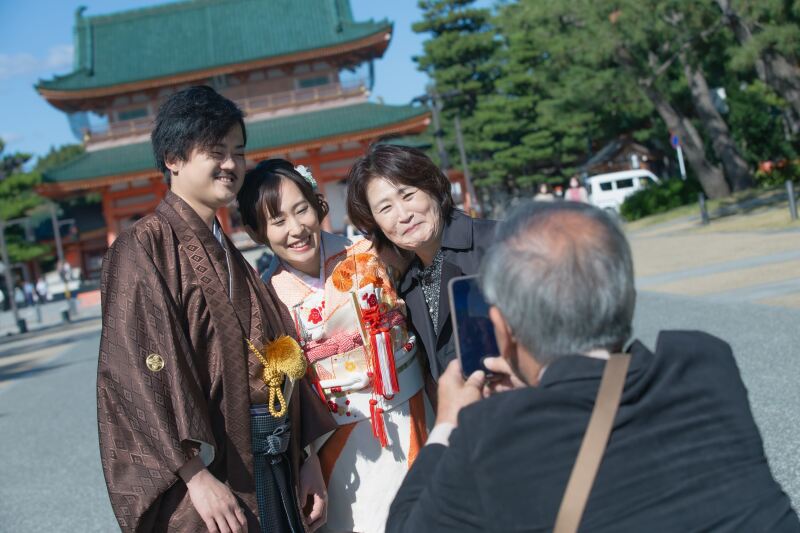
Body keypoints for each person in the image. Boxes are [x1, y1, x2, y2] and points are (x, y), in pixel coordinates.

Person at [387, 201, 800, 532]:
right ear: (626, 297)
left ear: (503, 328)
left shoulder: (491, 433)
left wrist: (448, 423)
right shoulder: (705, 364)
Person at [97, 86, 335, 533]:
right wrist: (193, 475)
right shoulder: (142, 247)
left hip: (273, 457)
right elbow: (132, 376)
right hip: (211, 476)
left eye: (238, 152)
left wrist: (307, 457)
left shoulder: (229, 252)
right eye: (216, 151)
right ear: (173, 158)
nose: (231, 164)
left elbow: (278, 352)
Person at [237, 159, 432, 533]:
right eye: (278, 220)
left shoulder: (370, 252)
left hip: (409, 407)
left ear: (317, 204)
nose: (296, 229)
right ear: (256, 231)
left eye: (302, 210)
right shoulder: (267, 296)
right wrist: (305, 456)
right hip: (334, 436)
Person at [346, 144, 496, 381]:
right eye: (385, 208)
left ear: (432, 186)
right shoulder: (407, 286)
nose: (404, 215)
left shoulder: (498, 242)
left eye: (408, 195)